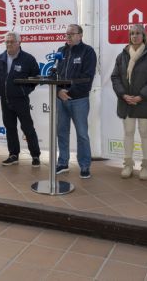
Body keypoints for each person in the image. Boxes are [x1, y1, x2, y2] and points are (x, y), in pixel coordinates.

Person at [111, 24, 147, 180]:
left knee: (145, 133)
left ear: (144, 36)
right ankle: (128, 164)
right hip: (126, 101)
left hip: (145, 102)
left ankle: (146, 166)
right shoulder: (122, 56)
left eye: (138, 33)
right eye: (132, 33)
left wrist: (141, 96)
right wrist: (123, 94)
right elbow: (115, 77)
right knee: (128, 133)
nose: (134, 36)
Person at [55, 24, 97, 179]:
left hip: (79, 100)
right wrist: (59, 91)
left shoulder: (88, 51)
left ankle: (85, 166)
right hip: (60, 99)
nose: (68, 37)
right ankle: (63, 163)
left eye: (72, 34)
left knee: (82, 134)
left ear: (80, 35)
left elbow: (87, 78)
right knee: (62, 132)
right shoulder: (61, 51)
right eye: (66, 34)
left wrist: (69, 92)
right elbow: (56, 74)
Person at [0, 31, 41, 167]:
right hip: (5, 99)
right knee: (10, 127)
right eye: (7, 42)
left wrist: (24, 90)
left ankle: (35, 156)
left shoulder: (28, 59)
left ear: (19, 43)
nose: (8, 44)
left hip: (20, 100)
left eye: (11, 42)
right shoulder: (0, 58)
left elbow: (36, 77)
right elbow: (0, 76)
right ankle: (13, 154)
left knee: (28, 128)